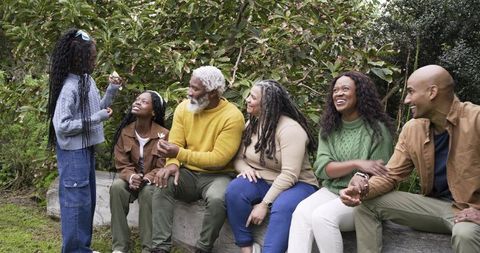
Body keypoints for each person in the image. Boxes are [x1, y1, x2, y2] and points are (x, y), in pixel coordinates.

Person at [340, 65, 480, 253]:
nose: (406, 100)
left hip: (471, 212)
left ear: (432, 92)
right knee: (366, 205)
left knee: (465, 234)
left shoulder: (475, 119)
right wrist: (362, 189)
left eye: (411, 92)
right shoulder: (412, 129)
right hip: (437, 207)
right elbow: (391, 175)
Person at [288, 71, 394, 253]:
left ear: (360, 93)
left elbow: (380, 174)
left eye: (345, 89)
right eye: (335, 90)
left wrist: (361, 175)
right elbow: (322, 168)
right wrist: (357, 164)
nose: (338, 93)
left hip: (362, 199)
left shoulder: (378, 130)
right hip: (332, 191)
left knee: (323, 217)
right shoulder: (329, 128)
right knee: (301, 212)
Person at [150, 66, 245, 253]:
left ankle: (203, 248)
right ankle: (160, 248)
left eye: (195, 89)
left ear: (212, 93)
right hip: (187, 173)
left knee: (218, 199)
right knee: (162, 182)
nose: (189, 92)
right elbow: (176, 143)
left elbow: (218, 159)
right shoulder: (183, 109)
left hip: (218, 175)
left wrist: (178, 154)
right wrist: (172, 165)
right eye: (189, 86)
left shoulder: (232, 117)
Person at [47, 28, 122, 253]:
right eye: (92, 56)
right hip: (72, 153)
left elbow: (95, 109)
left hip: (85, 148)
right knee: (75, 204)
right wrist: (96, 118)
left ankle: (82, 247)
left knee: (85, 201)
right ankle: (74, 250)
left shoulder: (86, 80)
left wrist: (112, 90)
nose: (95, 60)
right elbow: (62, 126)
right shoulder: (70, 87)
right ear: (79, 58)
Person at [225, 80, 319, 253]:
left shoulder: (290, 129)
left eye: (253, 97)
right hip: (264, 180)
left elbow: (290, 175)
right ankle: (247, 247)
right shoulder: (252, 124)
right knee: (234, 191)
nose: (247, 100)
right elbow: (238, 158)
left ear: (266, 104)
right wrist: (245, 169)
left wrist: (264, 204)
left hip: (298, 184)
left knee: (282, 207)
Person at [110, 91, 169, 253]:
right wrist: (131, 176)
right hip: (132, 180)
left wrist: (147, 178)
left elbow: (163, 165)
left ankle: (148, 248)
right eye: (137, 100)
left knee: (148, 192)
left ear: (154, 111)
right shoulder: (125, 132)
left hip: (151, 181)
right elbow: (121, 163)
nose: (137, 103)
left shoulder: (163, 135)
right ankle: (120, 247)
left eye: (144, 102)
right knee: (116, 188)